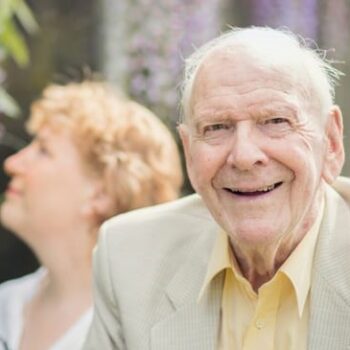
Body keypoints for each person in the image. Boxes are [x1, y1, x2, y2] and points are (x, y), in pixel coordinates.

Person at [83, 26, 350, 350]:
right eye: (217, 127)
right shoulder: (129, 257)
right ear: (189, 150)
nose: (244, 156)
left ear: (332, 142)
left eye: (276, 121)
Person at [0, 81, 183, 350]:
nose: (12, 163)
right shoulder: (7, 303)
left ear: (100, 194)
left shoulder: (144, 333)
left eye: (43, 150)